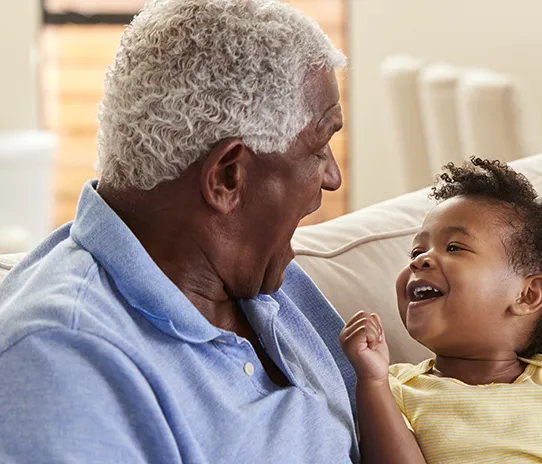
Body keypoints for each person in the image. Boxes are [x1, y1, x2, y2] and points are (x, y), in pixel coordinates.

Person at [0, 0, 358, 461]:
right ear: (228, 177)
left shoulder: (262, 278)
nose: (332, 177)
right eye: (319, 146)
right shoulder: (59, 359)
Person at [340, 158, 542, 463]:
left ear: (528, 295)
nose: (419, 260)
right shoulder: (397, 386)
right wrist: (372, 380)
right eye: (417, 249)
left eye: (454, 247)